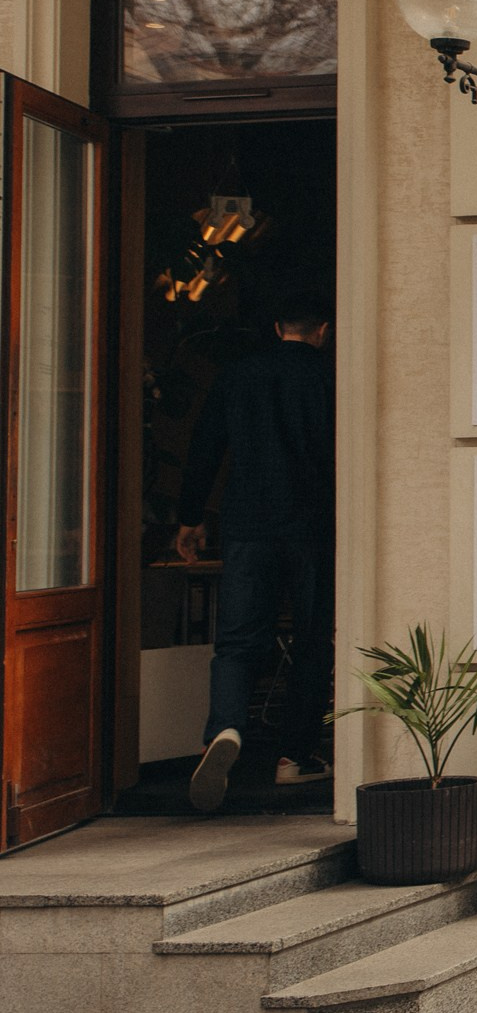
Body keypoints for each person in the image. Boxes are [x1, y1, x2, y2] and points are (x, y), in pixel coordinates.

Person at [174, 291, 335, 812]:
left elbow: (204, 448)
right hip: (313, 525)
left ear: (275, 326)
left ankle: (223, 729)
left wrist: (191, 518)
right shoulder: (332, 376)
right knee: (312, 638)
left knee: (238, 641)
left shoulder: (238, 376)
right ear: (324, 329)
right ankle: (295, 756)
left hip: (247, 524)